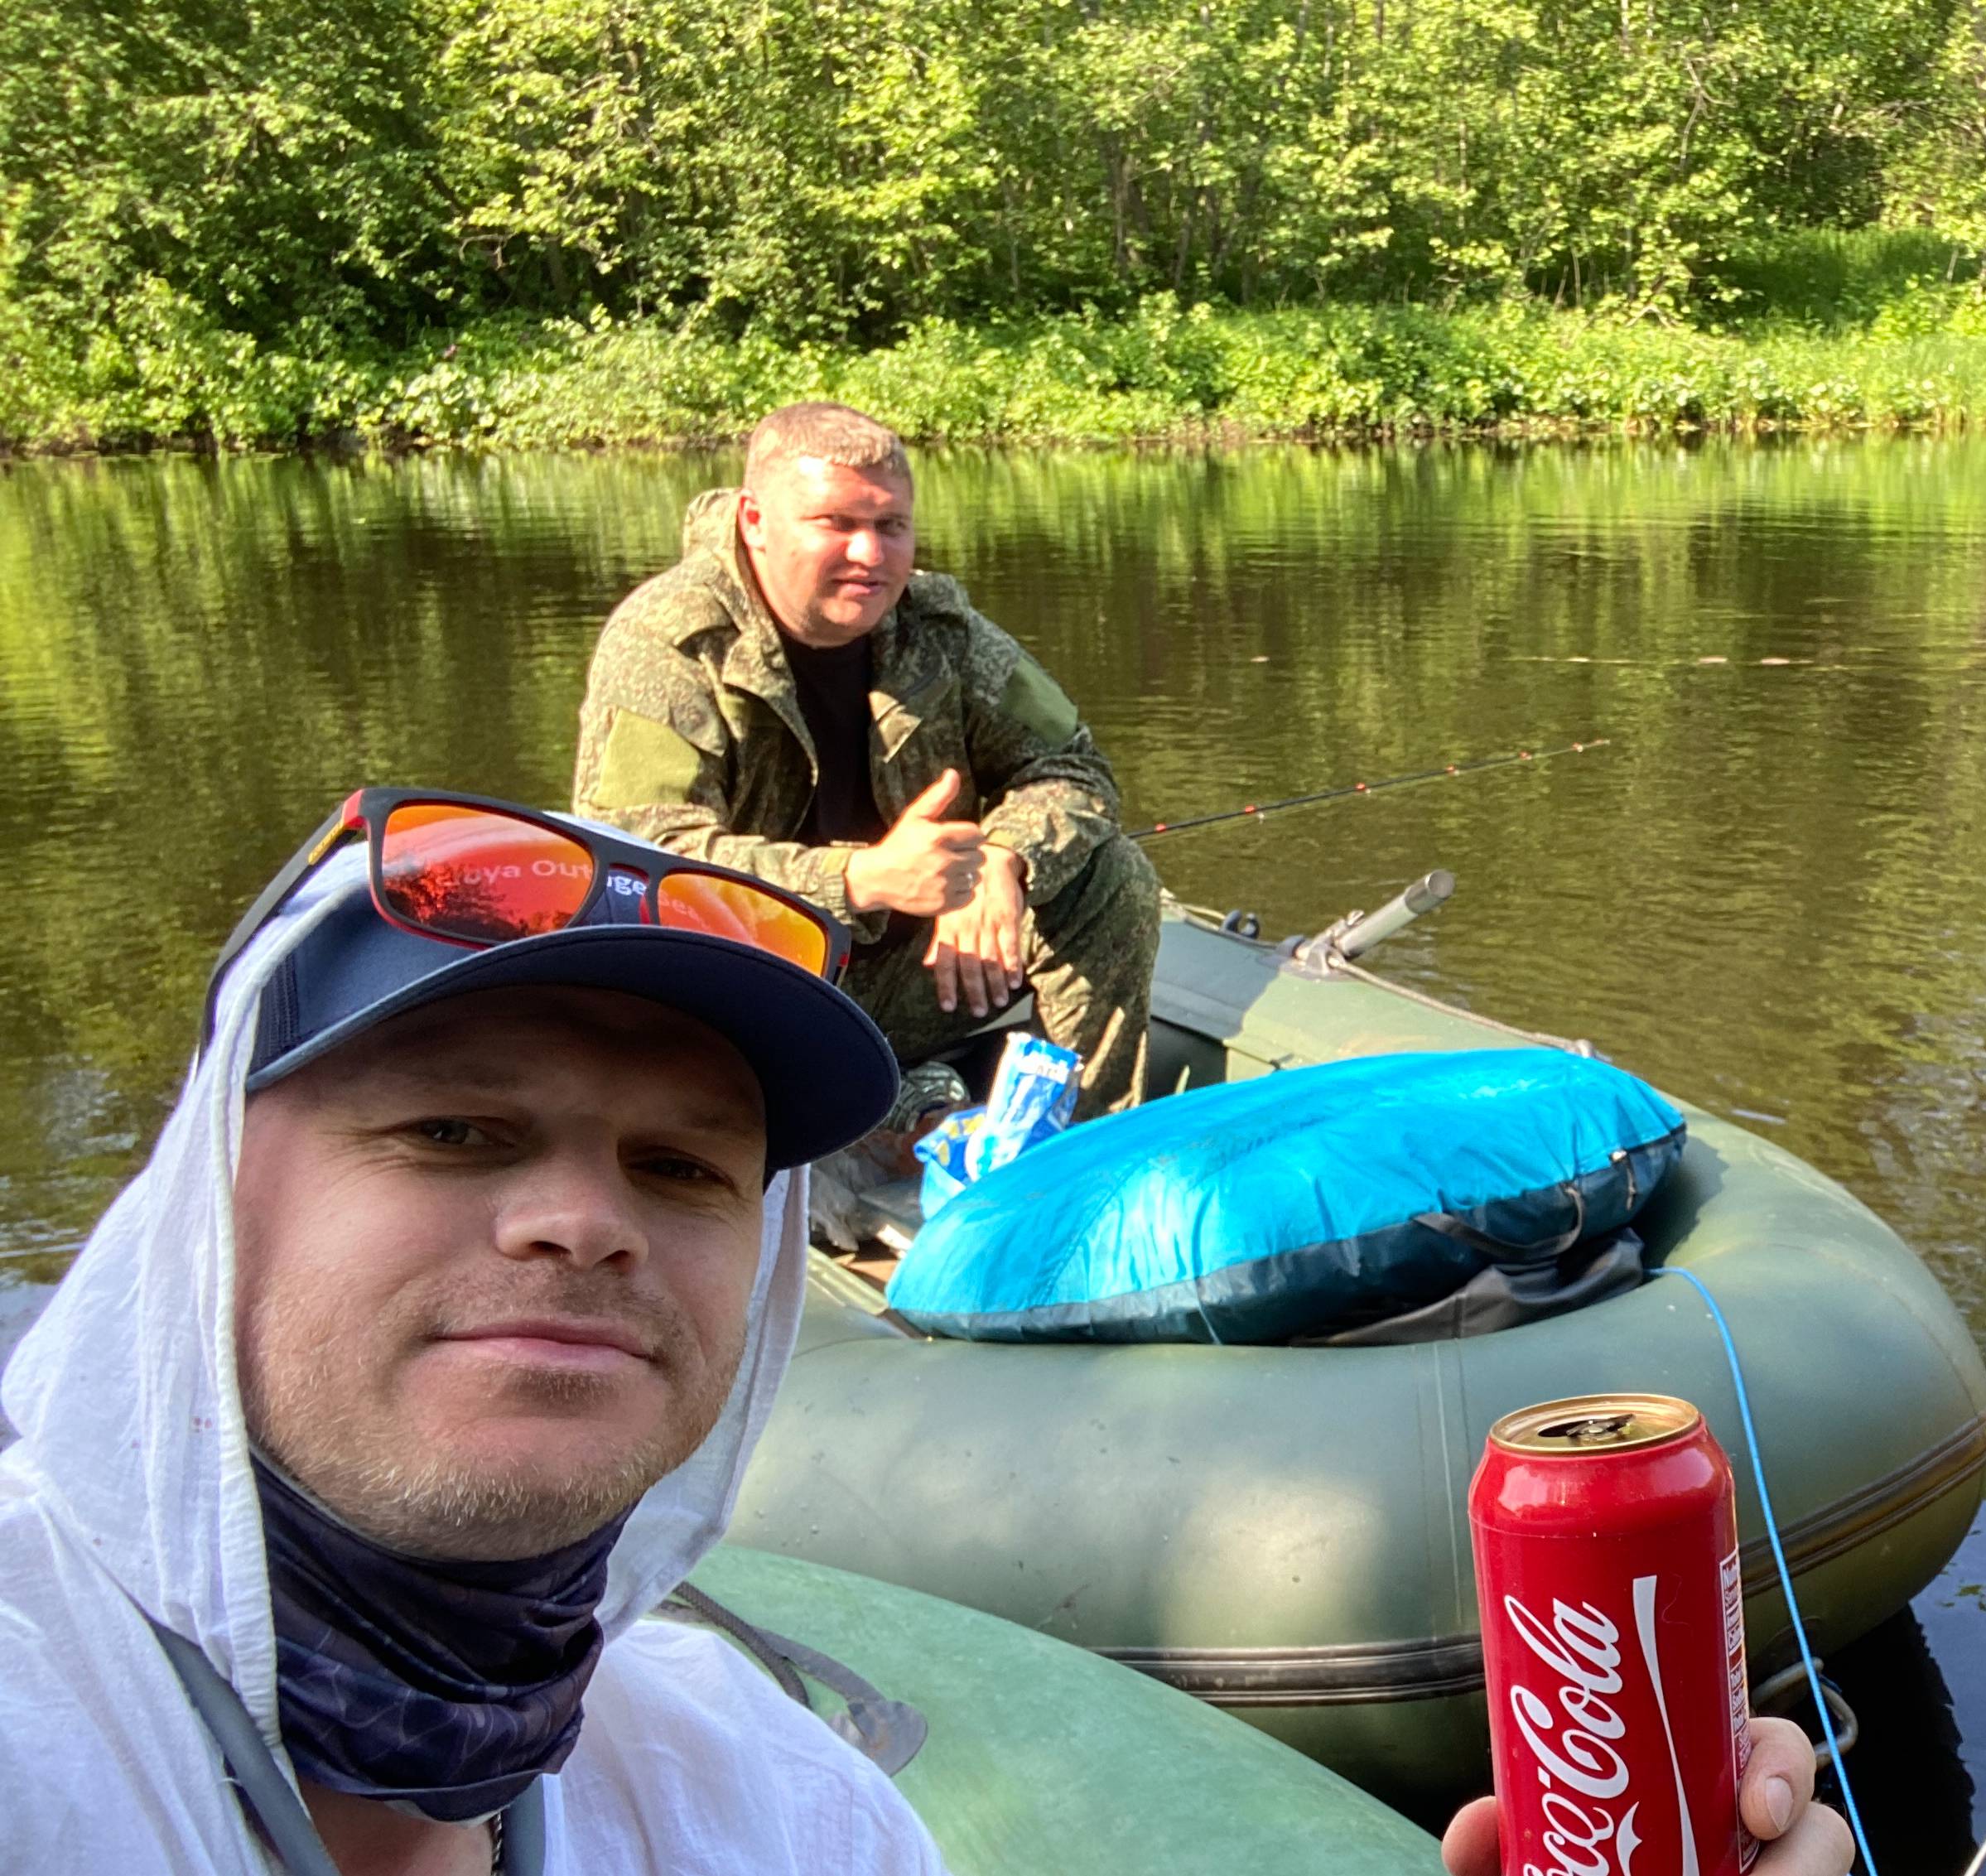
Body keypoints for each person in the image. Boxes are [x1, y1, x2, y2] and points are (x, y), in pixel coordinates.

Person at [0, 787, 1850, 1875]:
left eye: (685, 1166)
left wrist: (998, 854)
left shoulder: (763, 1800)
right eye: (455, 1132)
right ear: (209, 1198)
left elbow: (1058, 775)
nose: (584, 1218)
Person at [571, 400, 1160, 1126]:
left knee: (1111, 875)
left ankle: (1076, 1145)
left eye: (891, 526)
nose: (871, 554)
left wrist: (1002, 858)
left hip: (907, 976)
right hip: (742, 993)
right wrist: (860, 879)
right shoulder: (671, 642)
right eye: (837, 523)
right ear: (755, 521)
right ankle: (857, 1113)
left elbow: (1075, 767)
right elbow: (635, 864)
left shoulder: (937, 630)